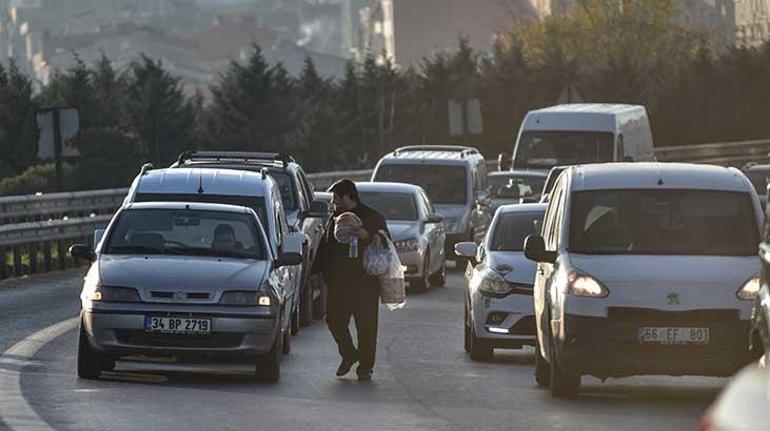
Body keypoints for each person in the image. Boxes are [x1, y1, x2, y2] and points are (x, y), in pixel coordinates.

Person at [314, 179, 389, 381]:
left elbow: (385, 242)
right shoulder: (336, 218)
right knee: (333, 320)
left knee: (366, 326)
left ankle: (365, 367)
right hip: (339, 283)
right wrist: (318, 273)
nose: (334, 202)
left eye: (337, 198)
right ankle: (349, 353)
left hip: (365, 283)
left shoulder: (372, 217)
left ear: (348, 196)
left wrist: (364, 234)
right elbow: (326, 247)